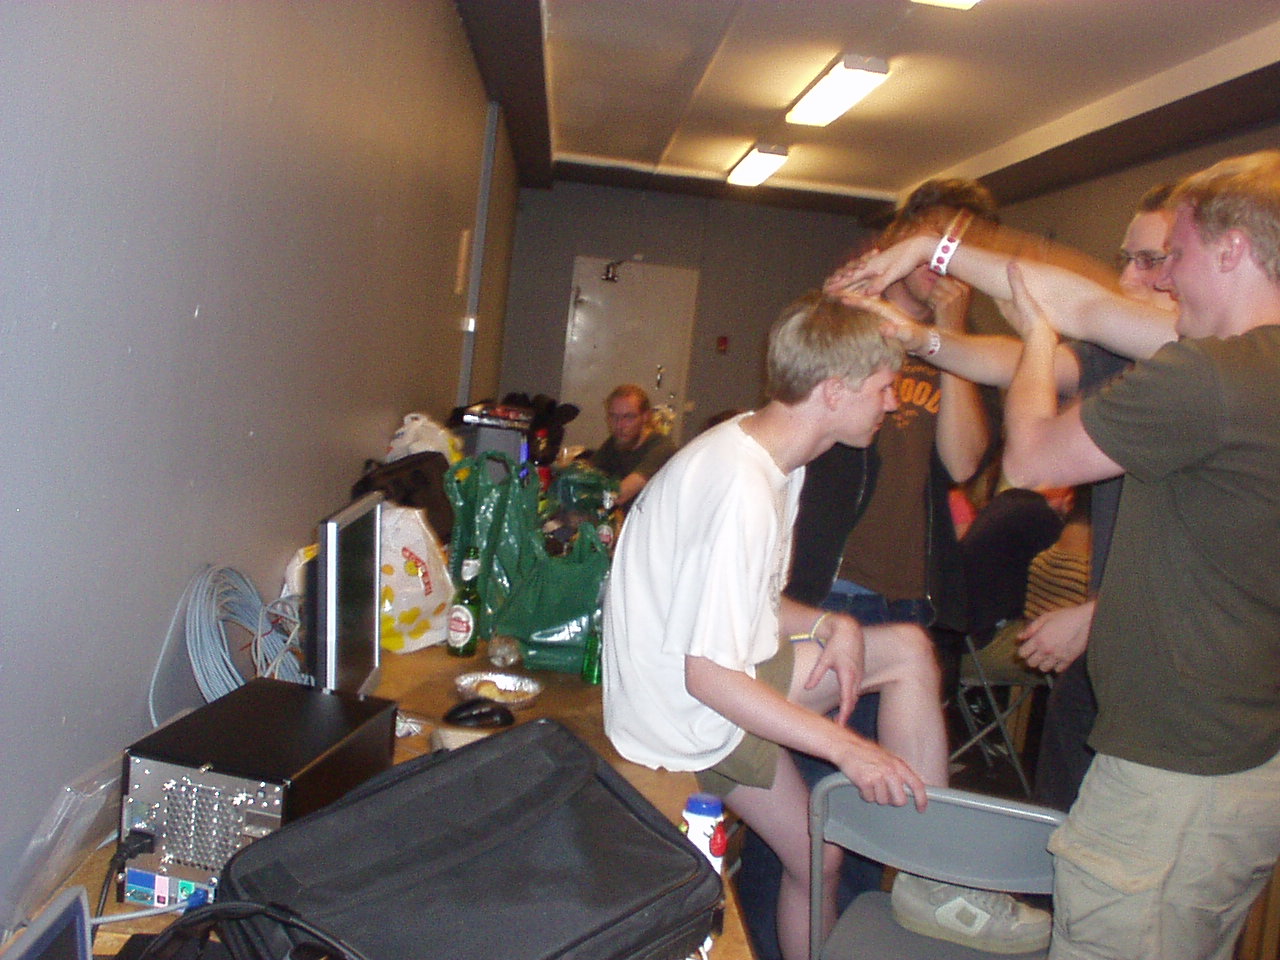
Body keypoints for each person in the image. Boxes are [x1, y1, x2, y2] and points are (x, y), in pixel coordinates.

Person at [849, 150, 1280, 960]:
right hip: (1233, 762)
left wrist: (1039, 333)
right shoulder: (1249, 363)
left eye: (1174, 255)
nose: (1158, 278)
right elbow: (1081, 301)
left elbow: (1033, 455)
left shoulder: (1211, 375)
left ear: (1231, 250)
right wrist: (932, 254)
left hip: (1171, 773)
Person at [604, 292, 1050, 960]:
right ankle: (934, 878)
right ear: (834, 392)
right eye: (884, 388)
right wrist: (849, 750)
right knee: (899, 668)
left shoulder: (768, 454)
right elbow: (709, 677)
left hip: (690, 682)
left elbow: (750, 604)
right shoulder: (741, 489)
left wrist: (826, 622)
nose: (893, 405)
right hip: (684, 710)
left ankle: (929, 877)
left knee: (823, 851)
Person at [842, 184, 1178, 810]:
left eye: (1150, 260)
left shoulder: (1208, 370)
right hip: (1109, 653)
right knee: (1061, 826)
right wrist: (918, 337)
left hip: (1165, 682)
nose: (1129, 276)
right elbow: (1010, 358)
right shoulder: (1130, 358)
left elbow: (1026, 458)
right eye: (1126, 258)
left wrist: (935, 249)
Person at [735, 180, 997, 960]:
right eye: (932, 242)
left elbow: (964, 462)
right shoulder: (849, 325)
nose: (943, 263)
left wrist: (947, 334)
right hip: (828, 594)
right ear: (900, 240)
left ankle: (868, 927)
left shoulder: (950, 347)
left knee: (881, 804)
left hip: (906, 599)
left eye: (958, 250)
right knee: (816, 811)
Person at [588, 383, 676, 507]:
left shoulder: (661, 449)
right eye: (613, 416)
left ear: (645, 417)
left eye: (628, 417)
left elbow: (619, 495)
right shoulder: (616, 441)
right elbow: (589, 472)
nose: (619, 425)